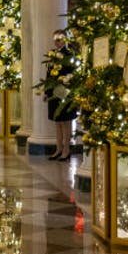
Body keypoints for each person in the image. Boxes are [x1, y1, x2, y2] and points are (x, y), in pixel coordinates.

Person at [45, 29, 78, 161]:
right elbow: (48, 75)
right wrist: (47, 92)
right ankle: (58, 149)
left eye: (59, 40)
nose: (57, 42)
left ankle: (66, 150)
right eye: (55, 40)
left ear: (64, 40)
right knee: (57, 122)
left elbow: (72, 74)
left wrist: (66, 85)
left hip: (65, 92)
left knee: (66, 122)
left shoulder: (69, 54)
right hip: (54, 92)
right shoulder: (52, 55)